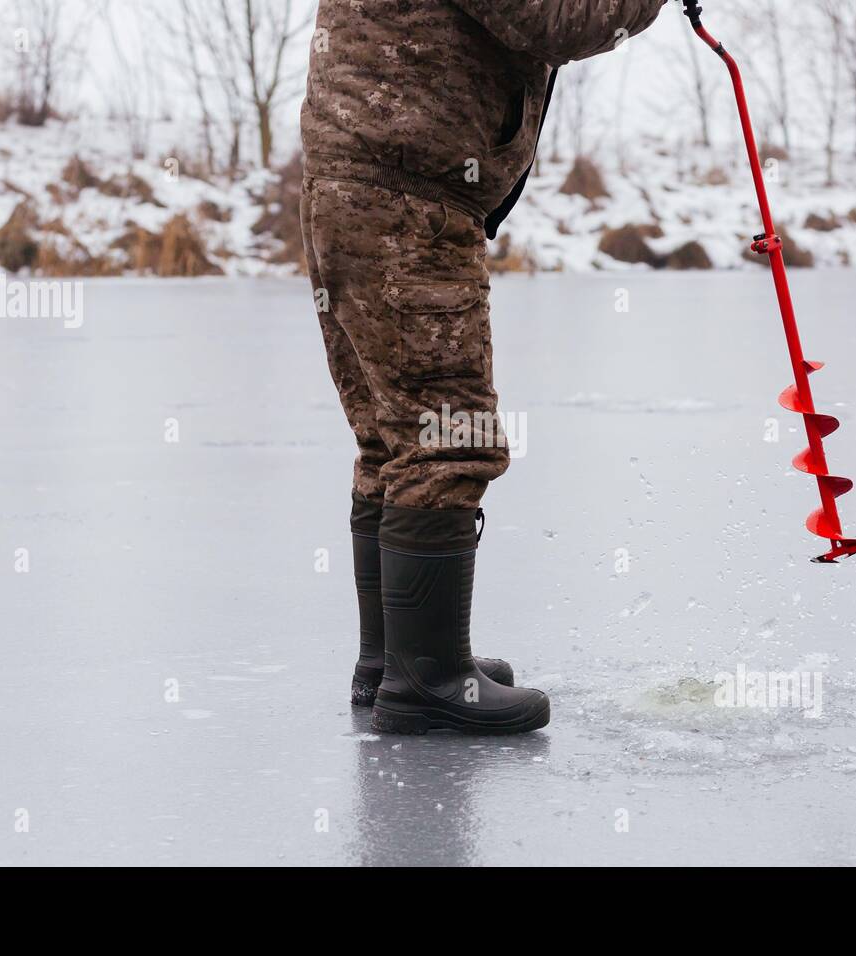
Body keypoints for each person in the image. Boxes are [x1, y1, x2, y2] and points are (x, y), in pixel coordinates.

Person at [299, 0, 669, 735]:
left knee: (395, 439)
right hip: (405, 198)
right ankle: (428, 679)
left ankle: (394, 661)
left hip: (363, 187)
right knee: (447, 436)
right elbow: (555, 21)